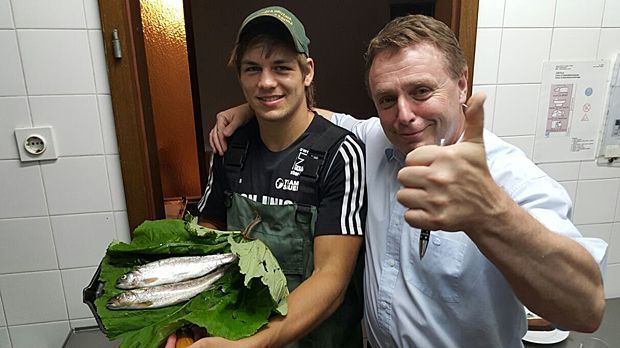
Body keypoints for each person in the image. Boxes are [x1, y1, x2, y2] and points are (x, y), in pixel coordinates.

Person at [209, 14, 608, 347]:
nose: (404, 114)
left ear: (462, 83)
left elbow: (586, 309)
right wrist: (250, 107)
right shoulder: (376, 139)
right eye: (386, 99)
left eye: (421, 91)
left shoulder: (509, 176)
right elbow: (309, 118)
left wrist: (491, 214)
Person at [167, 6, 367, 348]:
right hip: (234, 330)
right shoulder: (231, 148)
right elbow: (208, 235)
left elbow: (331, 279)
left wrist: (254, 344)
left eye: (281, 68)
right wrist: (189, 318)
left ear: (307, 72)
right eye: (252, 69)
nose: (266, 82)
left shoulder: (340, 153)